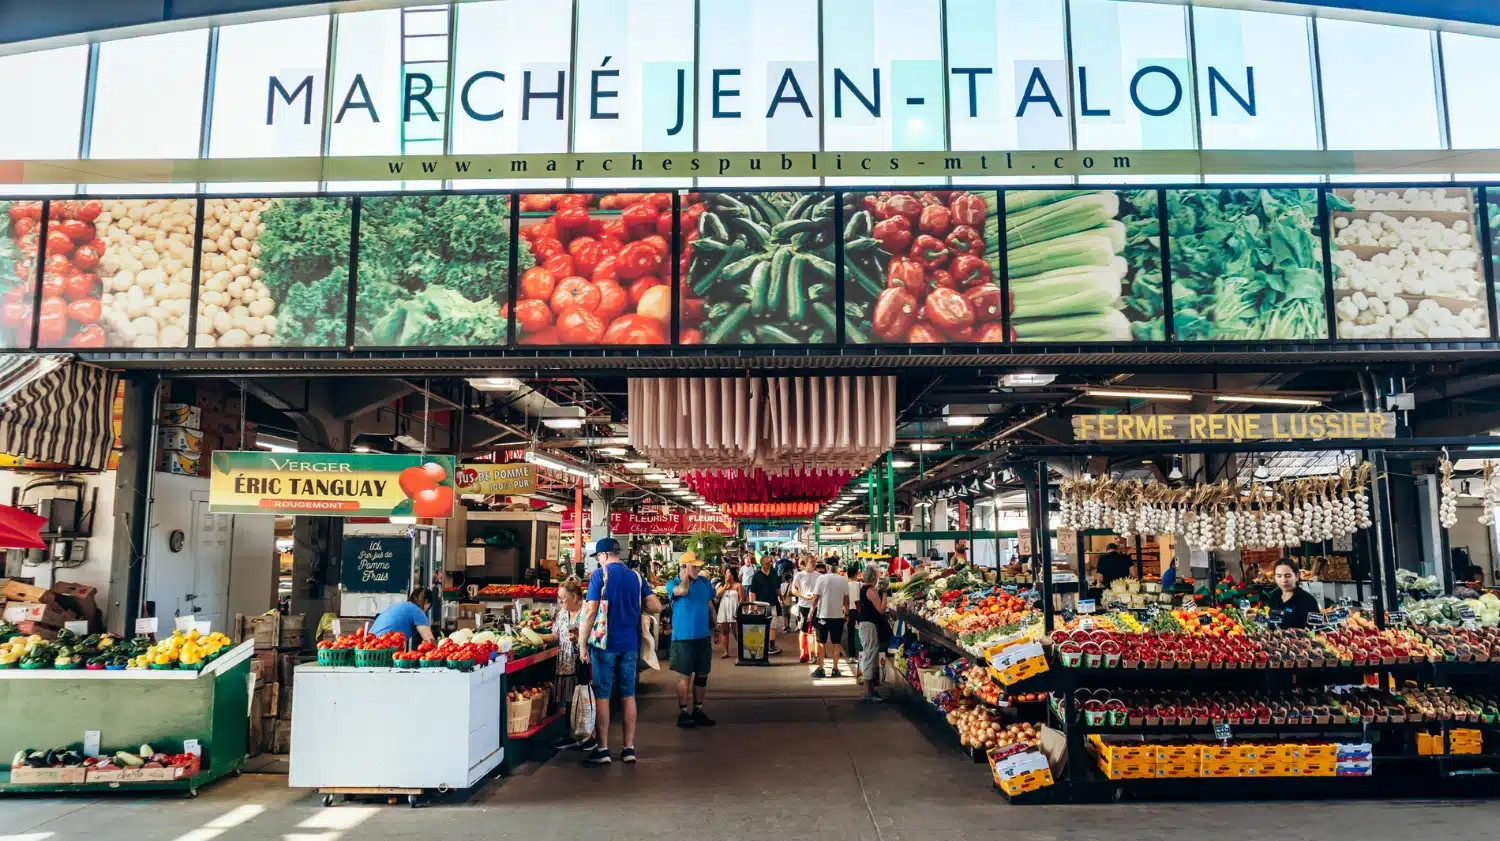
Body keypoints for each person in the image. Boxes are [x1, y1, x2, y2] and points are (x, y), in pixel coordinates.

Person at [579, 537, 663, 766]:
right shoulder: (636, 576)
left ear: (604, 556)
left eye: (597, 557)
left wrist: (582, 643)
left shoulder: (600, 576)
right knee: (628, 695)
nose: (598, 561)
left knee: (603, 695)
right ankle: (628, 748)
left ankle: (604, 749)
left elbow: (590, 612)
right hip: (629, 644)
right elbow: (656, 605)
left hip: (603, 645)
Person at [667, 552, 718, 729]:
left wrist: (716, 626)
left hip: (702, 635)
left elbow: (710, 604)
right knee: (685, 674)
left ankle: (698, 709)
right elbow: (682, 591)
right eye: (693, 566)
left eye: (697, 566)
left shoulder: (704, 583)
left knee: (702, 673)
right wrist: (685, 577)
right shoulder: (673, 583)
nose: (697, 569)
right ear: (683, 567)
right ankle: (683, 712)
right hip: (683, 637)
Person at [544, 578, 595, 751]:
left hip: (582, 663)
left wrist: (581, 637)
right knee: (567, 702)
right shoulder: (562, 613)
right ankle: (571, 735)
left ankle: (590, 736)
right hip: (564, 663)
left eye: (563, 598)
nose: (561, 602)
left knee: (584, 701)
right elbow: (555, 635)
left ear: (574, 597)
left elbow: (597, 634)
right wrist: (535, 638)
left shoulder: (588, 610)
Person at [855, 565, 890, 702]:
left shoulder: (864, 589)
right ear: (874, 577)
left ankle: (868, 691)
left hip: (865, 626)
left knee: (869, 655)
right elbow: (881, 609)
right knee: (869, 657)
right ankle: (868, 693)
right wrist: (885, 593)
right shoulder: (871, 591)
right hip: (869, 626)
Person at [809, 562, 851, 678]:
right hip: (838, 616)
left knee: (821, 643)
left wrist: (811, 612)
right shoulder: (843, 580)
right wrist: (846, 614)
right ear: (837, 568)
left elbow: (816, 598)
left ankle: (821, 668)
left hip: (823, 615)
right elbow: (846, 600)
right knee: (836, 643)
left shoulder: (821, 578)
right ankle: (835, 669)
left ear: (827, 567)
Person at [369, 587, 435, 645]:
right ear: (426, 602)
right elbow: (429, 641)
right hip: (383, 648)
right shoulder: (418, 611)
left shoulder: (399, 605)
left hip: (367, 645)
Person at [1267, 560, 1321, 629]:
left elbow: (1316, 628)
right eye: (1279, 576)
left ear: (1296, 576)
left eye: (1288, 576)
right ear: (1275, 578)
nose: (1284, 580)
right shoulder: (1275, 596)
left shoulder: (1307, 600)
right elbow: (1272, 620)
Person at [749, 554, 784, 655]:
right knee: (762, 626)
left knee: (773, 625)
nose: (769, 564)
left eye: (770, 563)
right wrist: (753, 605)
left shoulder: (773, 574)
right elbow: (752, 592)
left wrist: (782, 599)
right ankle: (761, 645)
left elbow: (778, 588)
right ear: (762, 564)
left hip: (772, 603)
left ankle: (771, 646)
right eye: (767, 563)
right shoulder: (756, 576)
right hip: (761, 605)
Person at [792, 557, 822, 663]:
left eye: (815, 561)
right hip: (803, 606)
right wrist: (803, 595)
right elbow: (794, 590)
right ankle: (803, 653)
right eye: (812, 562)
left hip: (817, 606)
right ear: (806, 563)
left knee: (815, 631)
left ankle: (814, 653)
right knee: (803, 630)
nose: (814, 563)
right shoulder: (799, 575)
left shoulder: (819, 576)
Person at [715, 564, 743, 659]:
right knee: (724, 631)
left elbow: (742, 598)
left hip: (734, 609)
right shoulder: (721, 585)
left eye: (729, 573)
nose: (727, 575)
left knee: (736, 631)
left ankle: (742, 650)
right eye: (726, 573)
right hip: (724, 609)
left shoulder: (738, 585)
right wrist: (726, 586)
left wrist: (740, 609)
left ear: (733, 575)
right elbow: (718, 595)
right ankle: (726, 651)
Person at [845, 564, 864, 679]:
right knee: (861, 632)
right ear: (856, 574)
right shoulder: (860, 585)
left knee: (850, 633)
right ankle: (861, 653)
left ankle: (851, 656)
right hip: (859, 611)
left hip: (849, 611)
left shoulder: (845, 585)